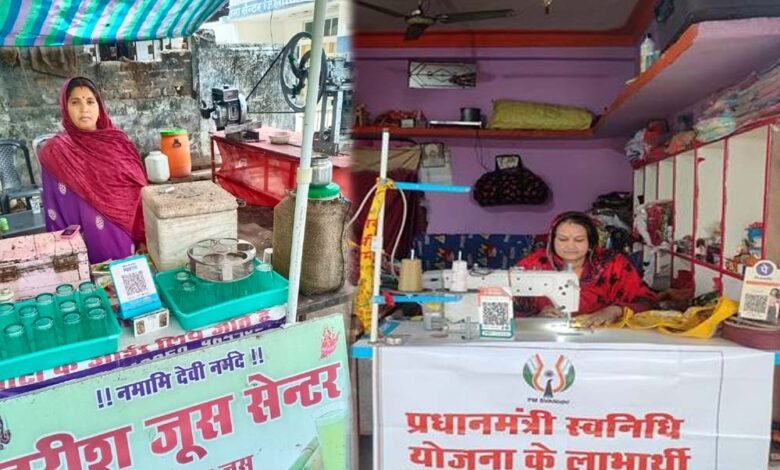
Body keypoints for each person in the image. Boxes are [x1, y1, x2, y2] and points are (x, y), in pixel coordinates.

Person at [39, 76, 147, 264]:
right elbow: (54, 206)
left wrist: (145, 236)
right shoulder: (56, 152)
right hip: (82, 246)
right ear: (65, 108)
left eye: (90, 101)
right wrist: (64, 256)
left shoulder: (119, 143)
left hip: (126, 239)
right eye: (75, 102)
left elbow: (139, 193)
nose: (84, 109)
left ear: (100, 106)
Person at [516, 211, 657, 327]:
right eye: (562, 239)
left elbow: (648, 302)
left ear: (591, 243)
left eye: (579, 240)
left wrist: (615, 310)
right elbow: (510, 305)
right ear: (552, 241)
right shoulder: (533, 264)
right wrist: (537, 317)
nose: (570, 246)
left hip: (604, 336)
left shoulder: (614, 264)